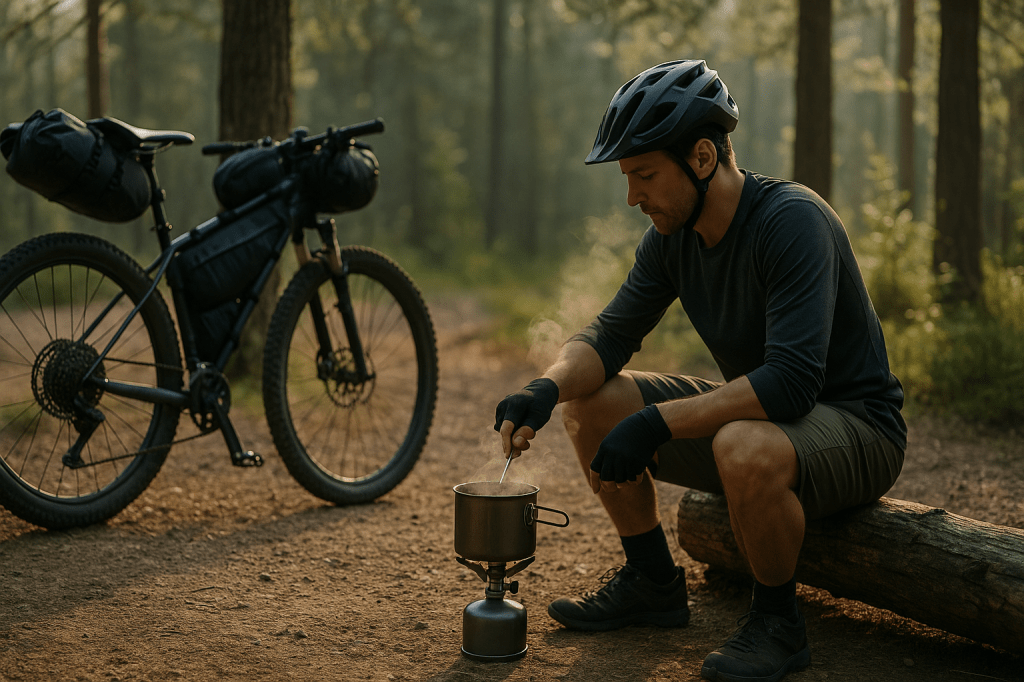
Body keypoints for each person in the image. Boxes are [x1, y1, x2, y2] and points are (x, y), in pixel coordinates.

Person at [493, 59, 906, 682]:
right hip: (771, 421)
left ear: (704, 158)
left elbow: (793, 382)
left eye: (645, 175)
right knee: (594, 402)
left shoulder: (792, 221)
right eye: (629, 178)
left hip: (858, 426)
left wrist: (657, 423)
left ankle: (777, 625)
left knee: (739, 443)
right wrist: (545, 388)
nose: (633, 196)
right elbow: (609, 336)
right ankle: (653, 582)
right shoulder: (672, 235)